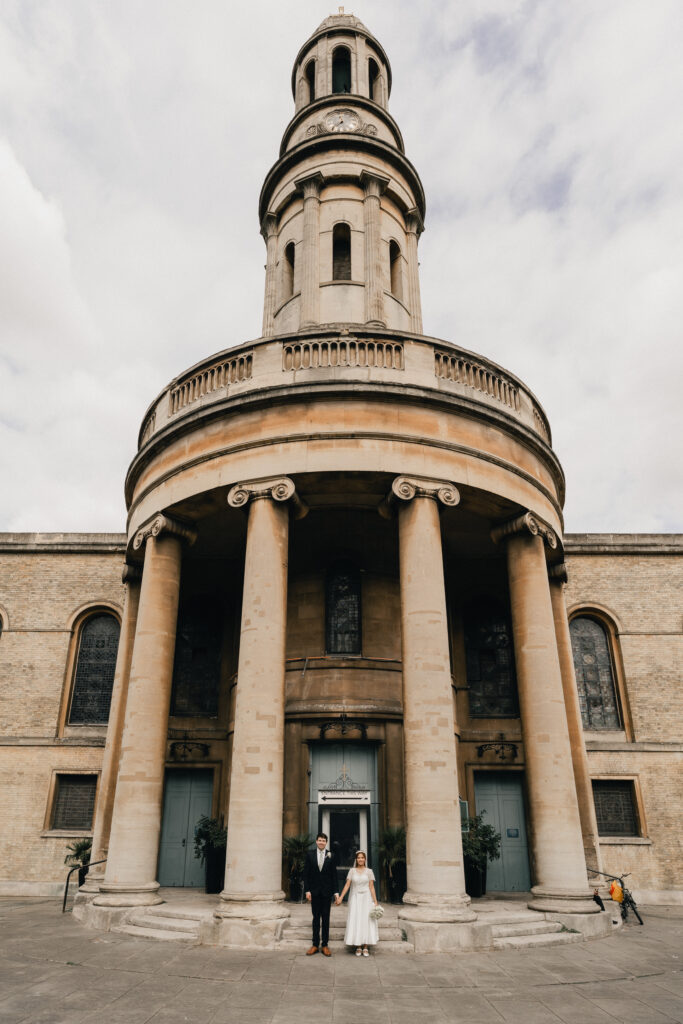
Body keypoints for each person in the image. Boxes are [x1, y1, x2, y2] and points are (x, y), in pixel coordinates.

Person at [336, 850, 378, 957]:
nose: (360, 859)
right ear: (356, 859)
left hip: (366, 898)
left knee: (366, 920)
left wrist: (375, 901)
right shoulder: (352, 871)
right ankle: (358, 946)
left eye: (362, 858)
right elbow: (347, 885)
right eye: (358, 858)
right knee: (357, 919)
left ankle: (365, 946)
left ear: (365, 859)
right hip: (355, 898)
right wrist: (340, 897)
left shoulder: (369, 871)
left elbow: (371, 887)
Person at [303, 832, 339, 956]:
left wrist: (336, 892)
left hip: (326, 892)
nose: (321, 842)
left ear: (326, 842)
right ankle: (314, 945)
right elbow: (306, 874)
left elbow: (334, 875)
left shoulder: (331, 855)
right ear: (316, 841)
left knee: (326, 918)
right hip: (314, 892)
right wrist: (307, 890)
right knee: (315, 918)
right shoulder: (310, 854)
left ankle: (325, 945)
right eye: (319, 840)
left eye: (323, 840)